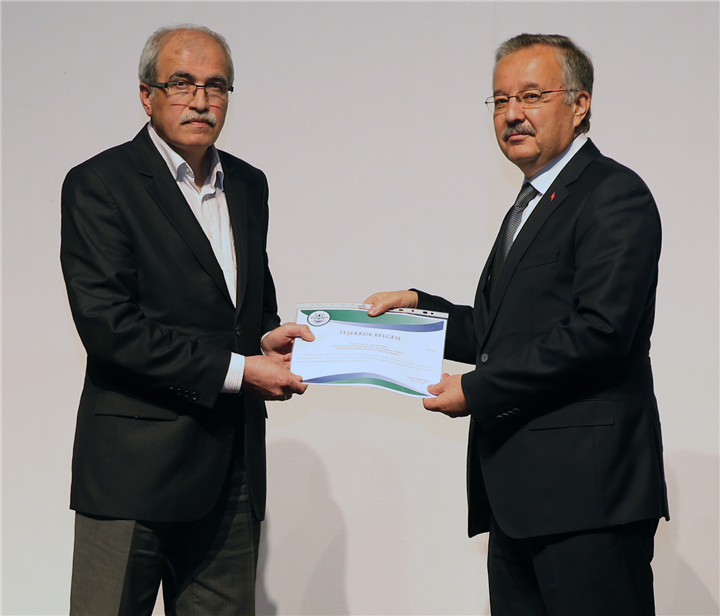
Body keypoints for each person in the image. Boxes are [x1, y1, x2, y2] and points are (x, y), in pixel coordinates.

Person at [365, 33, 669, 616]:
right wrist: (417, 311)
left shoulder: (613, 194)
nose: (511, 114)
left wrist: (477, 391)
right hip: (518, 502)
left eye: (531, 96)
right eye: (500, 100)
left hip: (589, 501)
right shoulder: (530, 204)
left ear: (579, 104)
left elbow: (600, 333)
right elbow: (500, 334)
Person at [61, 24, 312, 615]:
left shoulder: (248, 184)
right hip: (132, 472)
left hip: (232, 470)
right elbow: (109, 327)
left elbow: (246, 306)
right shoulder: (100, 184)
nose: (200, 100)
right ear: (146, 95)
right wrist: (240, 371)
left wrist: (266, 338)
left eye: (215, 86)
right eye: (181, 83)